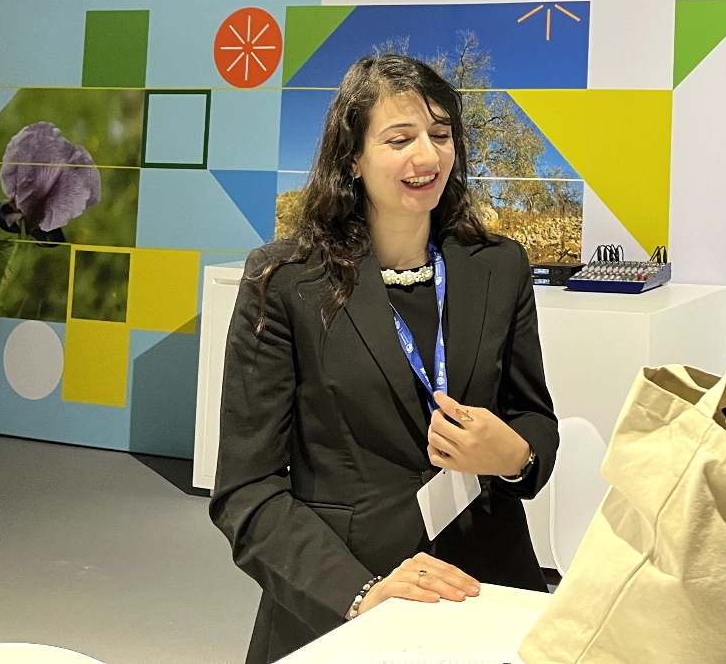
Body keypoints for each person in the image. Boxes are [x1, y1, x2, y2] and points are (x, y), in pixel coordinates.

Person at [210, 54, 558, 663]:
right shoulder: (284, 281)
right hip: (345, 598)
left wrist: (516, 457)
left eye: (441, 135)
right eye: (400, 139)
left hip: (486, 584)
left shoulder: (498, 267)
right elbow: (247, 491)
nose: (427, 157)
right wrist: (360, 592)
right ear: (353, 158)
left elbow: (534, 419)